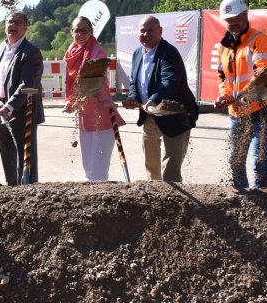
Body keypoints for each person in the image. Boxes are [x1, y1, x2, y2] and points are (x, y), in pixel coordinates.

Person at [123, 16, 198, 182]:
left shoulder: (169, 53)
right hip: (150, 115)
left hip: (175, 115)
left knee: (171, 169)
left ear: (160, 31)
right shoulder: (137, 53)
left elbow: (169, 81)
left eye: (150, 30)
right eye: (142, 31)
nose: (146, 34)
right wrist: (133, 96)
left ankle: (172, 196)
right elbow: (134, 81)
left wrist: (154, 99)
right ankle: (155, 193)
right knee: (151, 164)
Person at [214, 0, 267, 189]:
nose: (233, 23)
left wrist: (244, 93)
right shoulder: (223, 46)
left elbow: (262, 73)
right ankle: (243, 199)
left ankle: (263, 198)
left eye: (237, 18)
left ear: (246, 15)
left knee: (259, 161)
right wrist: (225, 95)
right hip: (237, 112)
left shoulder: (259, 40)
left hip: (262, 110)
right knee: (236, 160)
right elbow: (222, 76)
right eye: (229, 20)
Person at [63, 16, 125, 181]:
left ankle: (101, 194)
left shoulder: (98, 51)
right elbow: (70, 82)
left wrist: (80, 99)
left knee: (98, 168)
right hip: (84, 113)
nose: (81, 34)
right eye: (77, 31)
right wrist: (69, 101)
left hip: (101, 110)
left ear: (91, 31)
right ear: (71, 32)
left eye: (85, 30)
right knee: (88, 167)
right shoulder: (70, 53)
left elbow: (95, 81)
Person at [0, 11, 45, 185]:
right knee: (7, 154)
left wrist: (8, 107)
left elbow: (26, 85)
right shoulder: (2, 46)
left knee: (25, 156)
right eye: (9, 22)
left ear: (25, 27)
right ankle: (12, 188)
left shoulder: (31, 52)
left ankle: (28, 190)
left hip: (22, 110)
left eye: (18, 22)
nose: (12, 25)